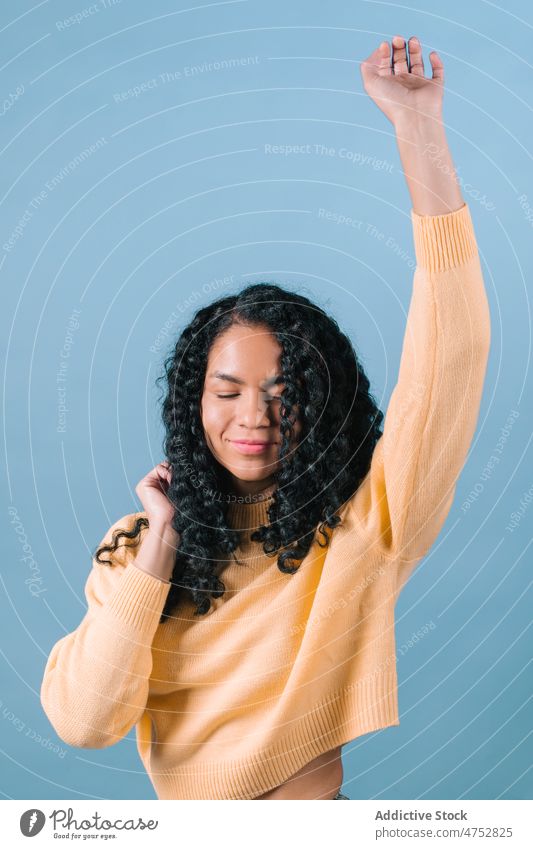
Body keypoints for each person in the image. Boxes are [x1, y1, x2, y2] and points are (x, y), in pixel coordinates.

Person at [40, 35, 491, 800]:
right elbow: (84, 721)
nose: (255, 415)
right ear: (194, 404)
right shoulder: (135, 551)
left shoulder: (363, 529)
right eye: (227, 391)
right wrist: (159, 546)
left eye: (285, 393)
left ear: (320, 404)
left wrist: (416, 127)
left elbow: (449, 358)